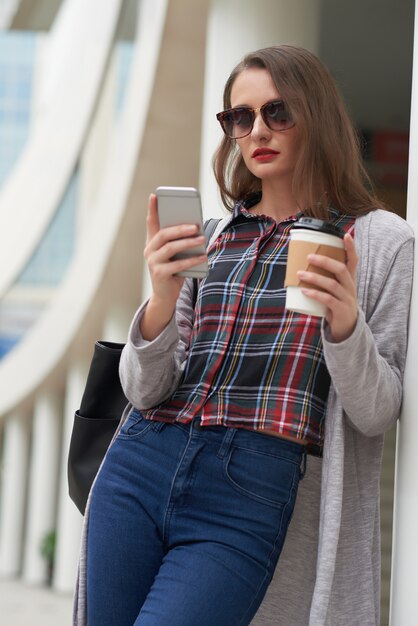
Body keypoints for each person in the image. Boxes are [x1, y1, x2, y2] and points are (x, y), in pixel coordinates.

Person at [73, 45, 414, 626]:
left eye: (277, 112)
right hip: (141, 462)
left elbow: (378, 411)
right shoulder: (211, 233)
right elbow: (143, 389)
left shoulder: (381, 242)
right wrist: (159, 298)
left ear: (318, 116)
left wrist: (344, 323)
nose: (257, 130)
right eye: (240, 117)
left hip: (252, 481)